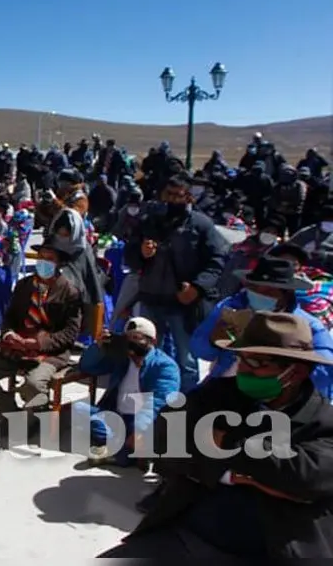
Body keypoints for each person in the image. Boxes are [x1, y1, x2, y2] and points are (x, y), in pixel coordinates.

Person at [100, 312, 333, 558]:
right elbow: (165, 437)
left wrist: (226, 443)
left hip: (274, 551)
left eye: (256, 363)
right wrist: (235, 475)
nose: (243, 370)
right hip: (191, 535)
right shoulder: (220, 394)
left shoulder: (323, 421)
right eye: (241, 359)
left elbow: (305, 478)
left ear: (296, 372)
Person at [125, 175, 228, 392]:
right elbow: (130, 256)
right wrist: (142, 253)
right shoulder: (149, 221)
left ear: (188, 196)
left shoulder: (201, 225)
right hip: (151, 298)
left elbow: (217, 260)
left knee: (187, 360)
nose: (171, 200)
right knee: (148, 356)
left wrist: (198, 287)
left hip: (183, 303)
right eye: (167, 194)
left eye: (177, 196)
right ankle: (150, 402)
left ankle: (186, 406)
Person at [190, 256, 333, 394]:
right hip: (225, 385)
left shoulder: (309, 327)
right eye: (254, 288)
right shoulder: (230, 308)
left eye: (269, 290)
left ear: (287, 294)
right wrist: (212, 341)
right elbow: (198, 350)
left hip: (274, 392)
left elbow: (323, 374)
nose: (259, 294)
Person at [0, 236, 83, 412]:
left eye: (49, 259)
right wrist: (9, 334)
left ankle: (36, 418)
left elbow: (70, 333)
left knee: (33, 384)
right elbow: (10, 316)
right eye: (41, 257)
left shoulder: (69, 292)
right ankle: (11, 413)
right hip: (17, 346)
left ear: (59, 264)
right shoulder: (24, 285)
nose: (43, 263)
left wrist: (39, 343)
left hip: (50, 352)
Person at [76, 317, 181, 466]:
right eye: (128, 338)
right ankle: (123, 449)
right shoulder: (121, 358)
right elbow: (88, 367)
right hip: (115, 416)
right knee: (79, 410)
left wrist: (139, 430)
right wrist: (97, 348)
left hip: (142, 419)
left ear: (152, 341)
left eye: (137, 338)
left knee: (145, 436)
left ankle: (122, 449)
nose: (132, 343)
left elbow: (159, 401)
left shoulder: (165, 366)